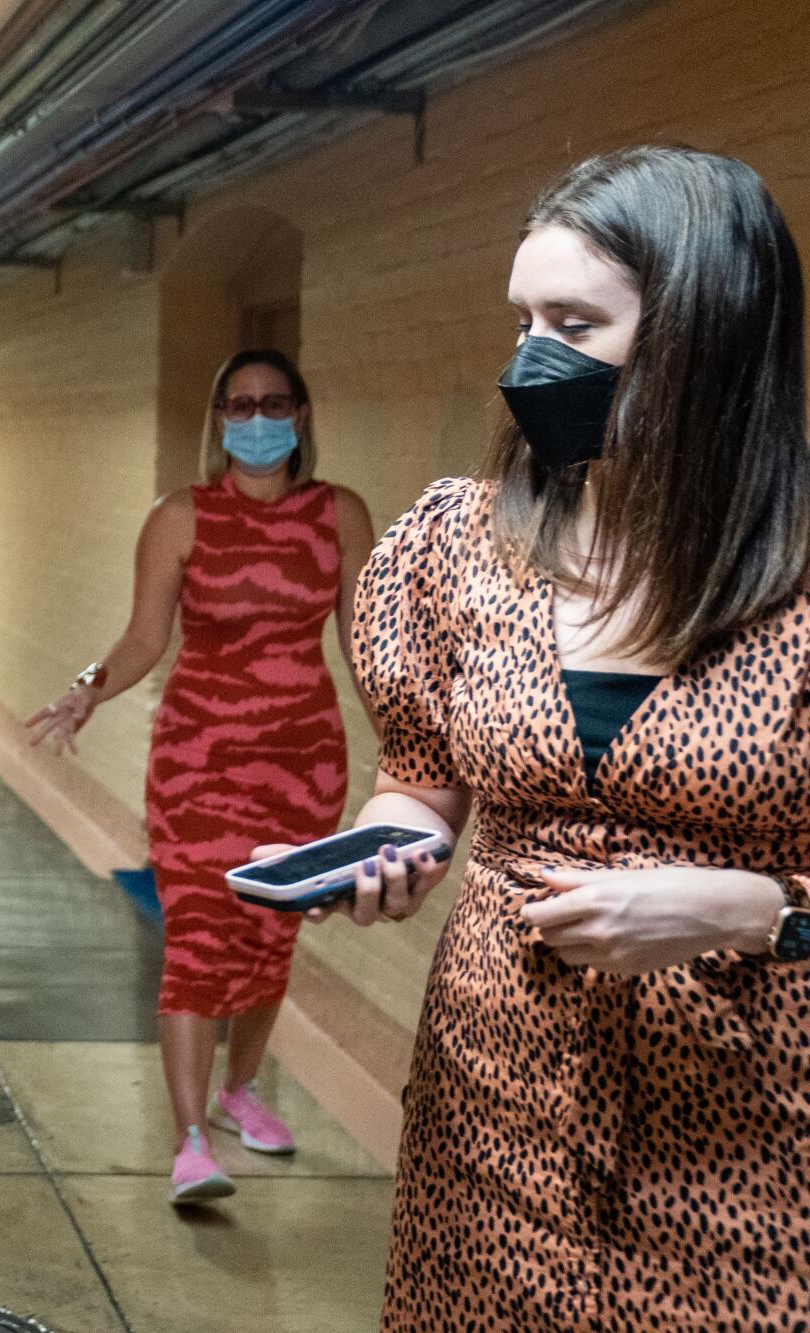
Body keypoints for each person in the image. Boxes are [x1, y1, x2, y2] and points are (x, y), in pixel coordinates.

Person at [283, 145, 810, 1329]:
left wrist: (741, 909)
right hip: (491, 1109)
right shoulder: (457, 544)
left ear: (702, 337)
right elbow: (417, 783)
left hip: (754, 1141)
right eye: (523, 317)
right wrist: (385, 849)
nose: (533, 356)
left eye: (575, 320)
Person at [26, 349, 375, 1205]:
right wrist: (86, 690)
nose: (257, 420)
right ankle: (189, 1140)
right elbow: (145, 637)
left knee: (272, 929)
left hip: (302, 761)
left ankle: (241, 1088)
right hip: (198, 757)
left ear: (301, 412)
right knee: (197, 937)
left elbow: (366, 645)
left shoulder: (343, 514)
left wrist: (414, 743)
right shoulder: (181, 516)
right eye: (239, 405)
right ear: (219, 419)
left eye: (273, 403)